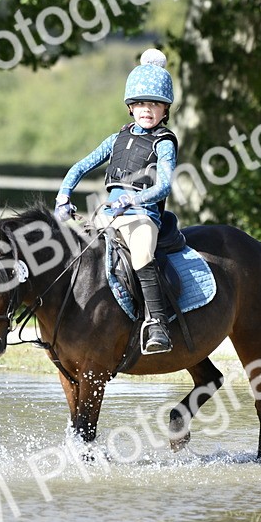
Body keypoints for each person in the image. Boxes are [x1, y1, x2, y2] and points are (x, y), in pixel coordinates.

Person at [55, 48, 179, 355]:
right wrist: (64, 195)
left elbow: (164, 184)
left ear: (165, 110)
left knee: (140, 257)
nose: (147, 110)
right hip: (106, 214)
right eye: (140, 104)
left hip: (143, 215)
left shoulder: (164, 142)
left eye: (155, 104)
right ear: (131, 107)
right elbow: (81, 166)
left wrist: (134, 198)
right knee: (75, 254)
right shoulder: (116, 139)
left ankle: (157, 324)